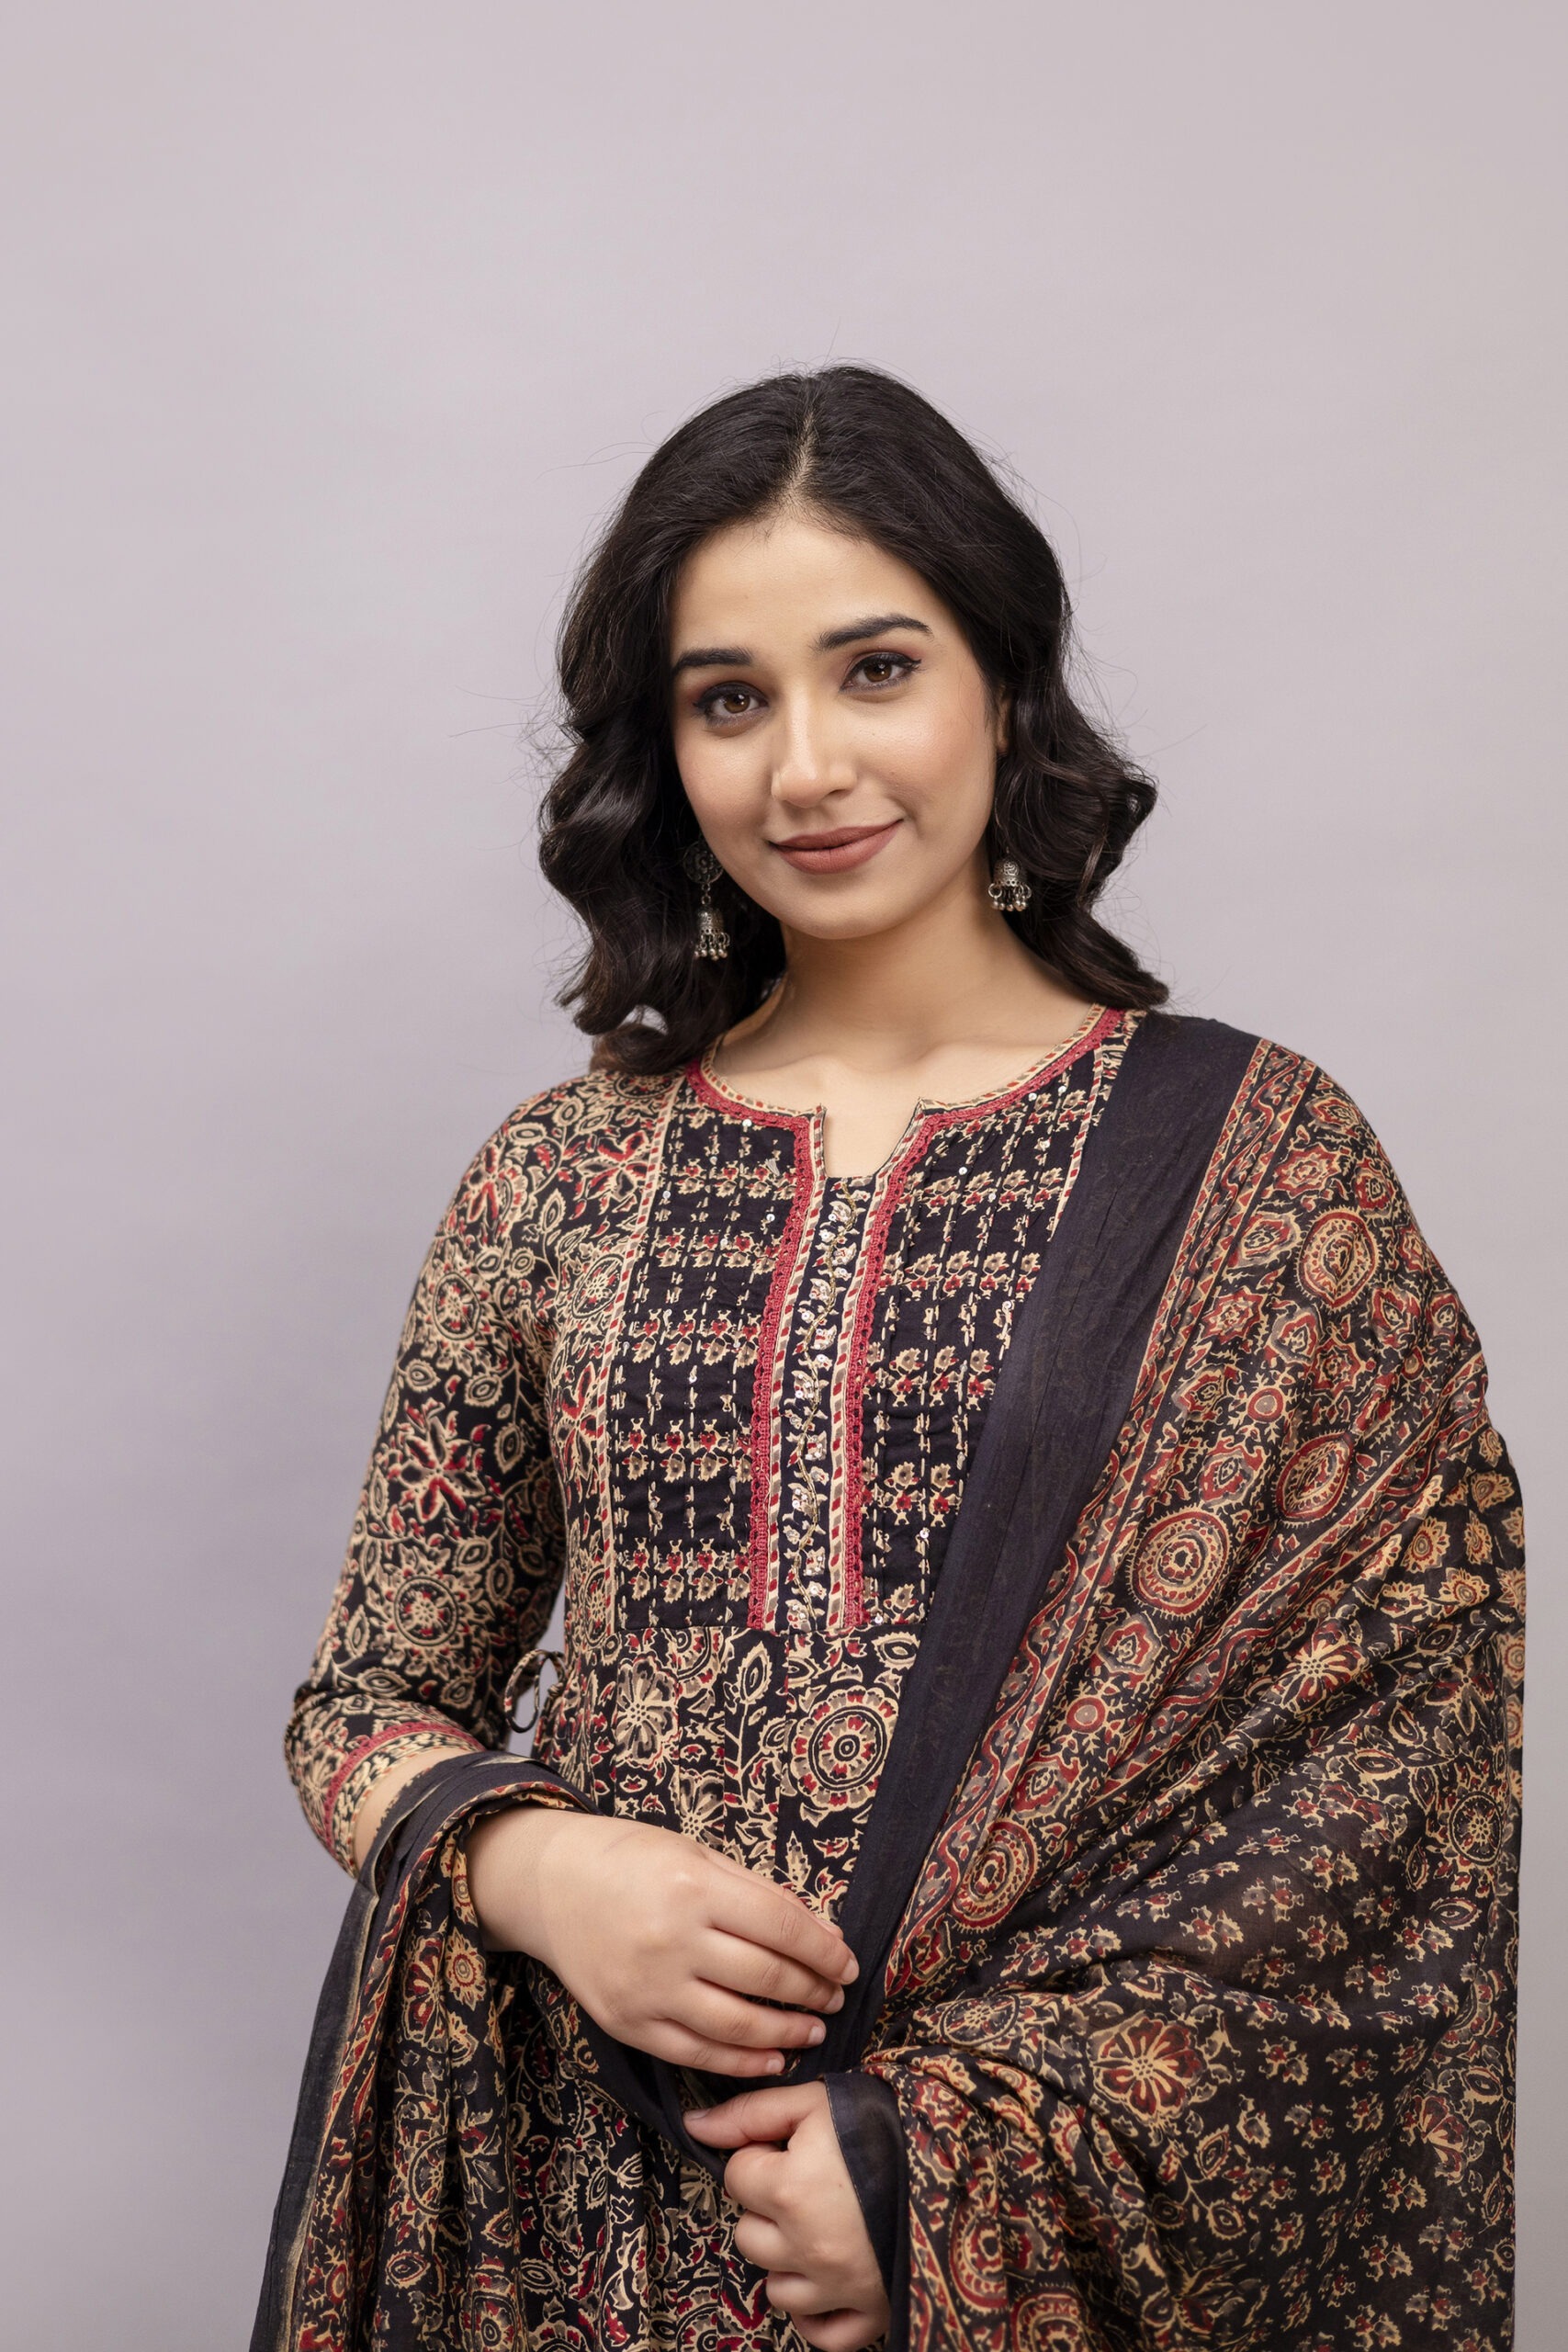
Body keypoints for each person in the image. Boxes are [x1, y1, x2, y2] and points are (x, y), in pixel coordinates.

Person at [254, 368, 1521, 2352]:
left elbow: (1382, 1785)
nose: (806, 766)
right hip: (572, 2225)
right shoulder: (555, 1178)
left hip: (1036, 2239)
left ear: (1001, 685)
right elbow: (363, 1701)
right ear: (664, 749)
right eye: (727, 699)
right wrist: (544, 1868)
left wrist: (948, 2182)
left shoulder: (1265, 1169)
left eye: (874, 669)